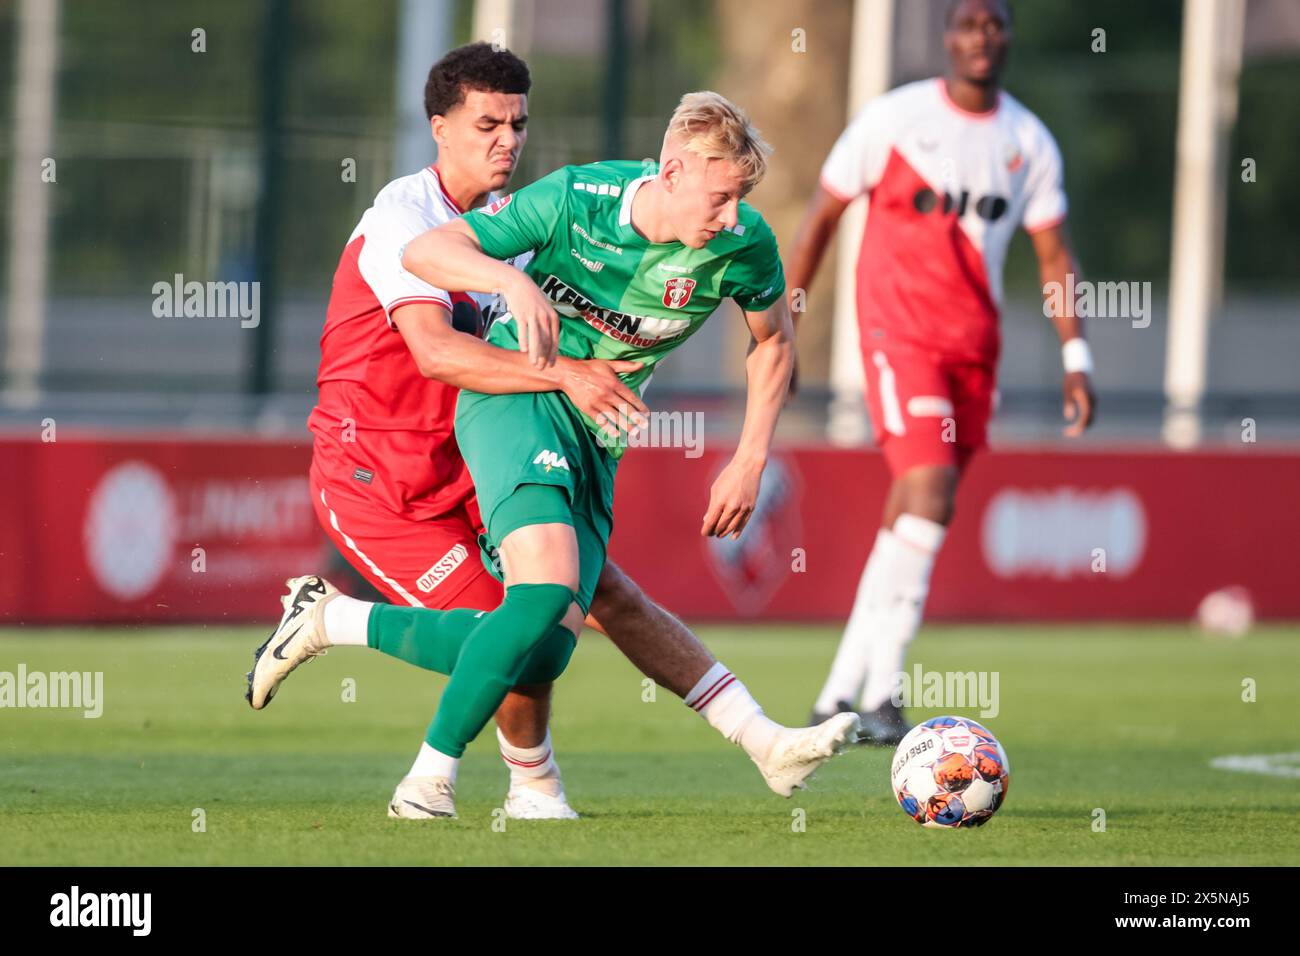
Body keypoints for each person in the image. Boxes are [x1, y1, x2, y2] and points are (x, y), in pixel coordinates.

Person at [247, 45, 858, 820]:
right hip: (380, 477)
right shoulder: (408, 216)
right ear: (439, 128)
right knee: (528, 625)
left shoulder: (524, 215)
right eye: (487, 124)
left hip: (484, 459)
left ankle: (750, 745)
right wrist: (565, 368)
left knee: (588, 609)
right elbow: (437, 353)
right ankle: (363, 658)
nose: (507, 140)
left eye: (519, 124)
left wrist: (746, 453)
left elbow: (763, 333)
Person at [787, 0, 1095, 744]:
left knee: (912, 514)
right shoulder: (894, 120)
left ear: (1009, 36)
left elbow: (1054, 256)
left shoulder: (1028, 140)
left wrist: (1076, 357)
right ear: (947, 37)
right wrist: (786, 325)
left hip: (973, 351)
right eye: (966, 24)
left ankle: (836, 698)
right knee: (931, 490)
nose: (981, 37)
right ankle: (886, 696)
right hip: (900, 336)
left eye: (995, 24)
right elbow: (820, 219)